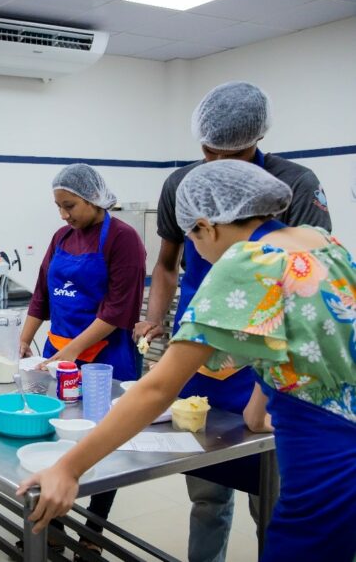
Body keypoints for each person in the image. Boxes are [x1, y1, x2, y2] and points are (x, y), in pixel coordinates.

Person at [18, 160, 356, 562]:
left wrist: (68, 468)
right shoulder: (318, 241)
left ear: (205, 226)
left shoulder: (248, 261)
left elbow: (159, 388)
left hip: (326, 456)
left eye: (191, 241)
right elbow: (302, 337)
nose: (195, 255)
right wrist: (257, 409)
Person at [133, 81, 332, 561]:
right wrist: (155, 319)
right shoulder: (182, 185)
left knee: (274, 499)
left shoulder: (296, 184)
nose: (219, 164)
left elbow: (301, 289)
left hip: (271, 355)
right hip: (200, 352)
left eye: (235, 154)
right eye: (209, 153)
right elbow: (166, 264)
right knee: (207, 494)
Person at [20, 164, 146, 558]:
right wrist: (24, 340)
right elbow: (41, 293)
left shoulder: (123, 239)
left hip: (105, 357)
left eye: (69, 205)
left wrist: (71, 352)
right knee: (57, 436)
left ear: (93, 198)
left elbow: (118, 309)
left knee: (104, 442)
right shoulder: (62, 237)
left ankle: (94, 529)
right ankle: (51, 523)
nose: (64, 215)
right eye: (58, 206)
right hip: (58, 353)